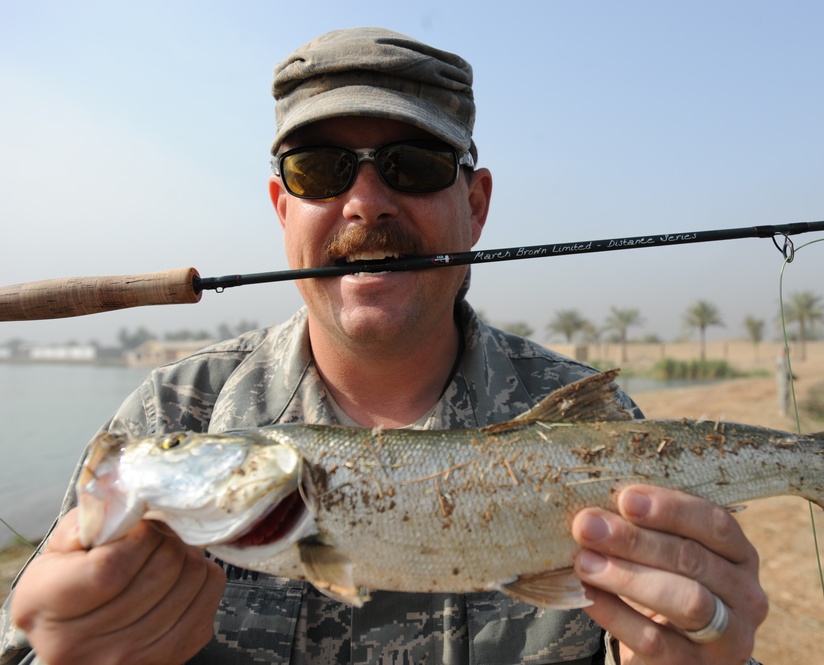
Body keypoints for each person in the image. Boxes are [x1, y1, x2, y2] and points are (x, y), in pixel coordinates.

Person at [0, 28, 767, 664]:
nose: (366, 202)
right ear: (281, 208)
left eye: (415, 164)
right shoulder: (174, 412)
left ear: (476, 204)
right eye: (319, 169)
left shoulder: (594, 423)